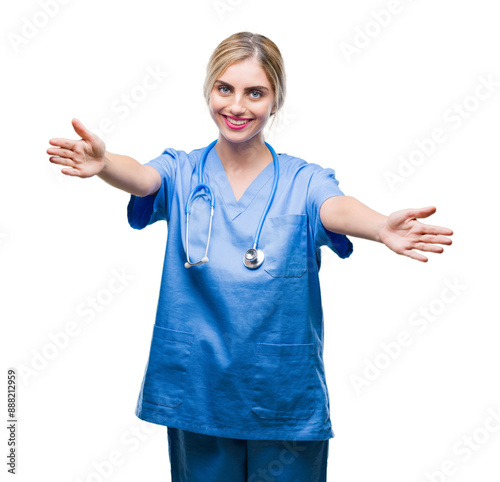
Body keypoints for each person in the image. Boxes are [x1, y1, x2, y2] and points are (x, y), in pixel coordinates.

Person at [47, 32, 453, 482]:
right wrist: (104, 164)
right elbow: (142, 178)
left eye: (254, 93)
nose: (237, 106)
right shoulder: (182, 170)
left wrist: (379, 226)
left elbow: (333, 208)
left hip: (283, 392)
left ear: (275, 100)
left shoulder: (304, 179)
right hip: (200, 389)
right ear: (209, 91)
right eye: (225, 89)